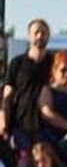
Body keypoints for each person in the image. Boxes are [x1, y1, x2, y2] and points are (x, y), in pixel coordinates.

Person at [2, 19, 52, 158]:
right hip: (20, 126)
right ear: (29, 35)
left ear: (48, 36)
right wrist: (3, 121)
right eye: (36, 32)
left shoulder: (53, 63)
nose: (40, 36)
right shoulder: (17, 63)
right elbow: (8, 95)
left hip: (46, 129)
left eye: (44, 32)